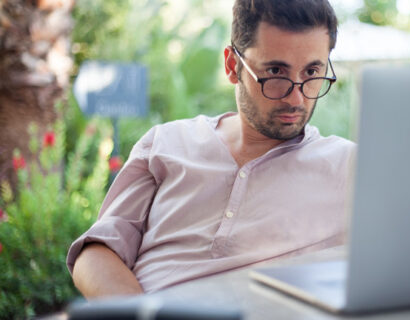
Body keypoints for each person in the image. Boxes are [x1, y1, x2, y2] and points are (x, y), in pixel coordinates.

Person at [67, 0, 355, 298]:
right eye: (275, 71)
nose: (296, 99)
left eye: (311, 72)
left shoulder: (352, 167)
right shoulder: (166, 143)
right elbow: (97, 251)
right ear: (232, 66)